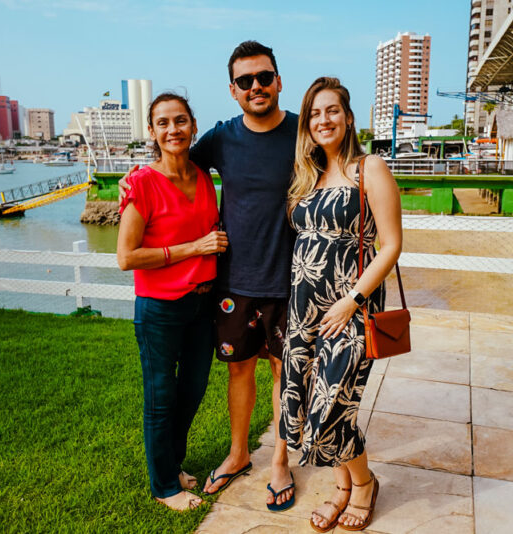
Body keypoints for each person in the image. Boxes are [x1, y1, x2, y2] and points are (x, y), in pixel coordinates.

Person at [120, 41, 297, 511]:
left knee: (282, 372)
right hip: (232, 282)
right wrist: (131, 180)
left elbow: (344, 163)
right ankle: (238, 454)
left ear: (278, 80)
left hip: (287, 279)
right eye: (245, 81)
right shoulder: (219, 139)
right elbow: (167, 164)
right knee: (236, 371)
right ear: (233, 90)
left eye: (263, 77)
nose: (255, 87)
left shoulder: (304, 133)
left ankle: (279, 461)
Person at [279, 77, 402, 532]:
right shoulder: (306, 176)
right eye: (313, 114)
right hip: (304, 310)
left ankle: (364, 485)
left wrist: (351, 301)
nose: (322, 120)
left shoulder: (369, 168)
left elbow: (390, 245)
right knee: (311, 403)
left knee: (332, 407)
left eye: (331, 110)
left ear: (348, 117)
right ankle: (341, 487)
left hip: (351, 308)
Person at [117, 92, 228, 511]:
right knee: (161, 397)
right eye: (162, 123)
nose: (172, 129)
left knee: (193, 389)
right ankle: (165, 486)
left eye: (180, 121)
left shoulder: (203, 176)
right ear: (152, 132)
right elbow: (126, 257)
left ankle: (172, 462)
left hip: (202, 306)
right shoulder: (142, 183)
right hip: (160, 308)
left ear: (193, 126)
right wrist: (194, 247)